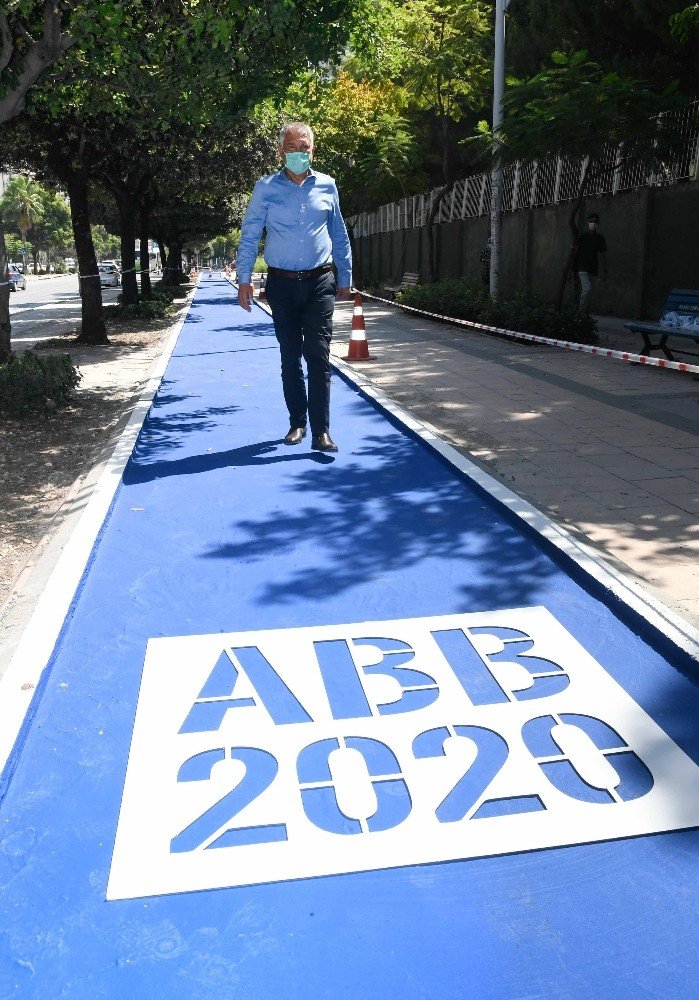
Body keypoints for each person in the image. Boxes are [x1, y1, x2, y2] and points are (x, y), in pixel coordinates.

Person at [237, 121, 352, 453]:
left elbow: (339, 234)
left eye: (305, 147)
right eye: (292, 147)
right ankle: (297, 423)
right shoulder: (266, 188)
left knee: (318, 355)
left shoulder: (328, 186)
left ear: (312, 150)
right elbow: (249, 235)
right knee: (290, 356)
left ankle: (321, 431)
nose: (299, 153)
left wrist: (345, 277)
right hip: (282, 285)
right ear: (280, 151)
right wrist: (244, 278)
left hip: (320, 282)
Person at [572, 212, 607, 313]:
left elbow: (602, 255)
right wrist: (572, 268)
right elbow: (575, 252)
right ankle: (581, 312)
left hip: (593, 268)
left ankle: (584, 312)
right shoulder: (582, 236)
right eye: (591, 221)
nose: (593, 223)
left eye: (595, 221)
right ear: (588, 223)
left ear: (598, 223)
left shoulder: (600, 238)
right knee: (587, 289)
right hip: (582, 267)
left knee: (589, 291)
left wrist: (603, 270)